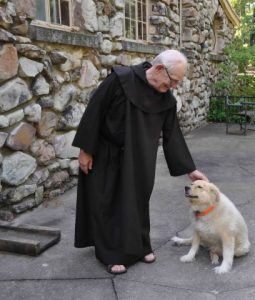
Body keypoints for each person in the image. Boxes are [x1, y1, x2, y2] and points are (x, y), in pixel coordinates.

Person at [72, 49, 208, 275]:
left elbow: (172, 135)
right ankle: (111, 254)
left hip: (141, 157)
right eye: (173, 81)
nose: (174, 87)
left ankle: (140, 245)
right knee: (108, 202)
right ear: (158, 69)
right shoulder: (120, 79)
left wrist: (190, 170)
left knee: (137, 201)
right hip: (107, 154)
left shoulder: (166, 100)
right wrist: (86, 150)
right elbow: (94, 110)